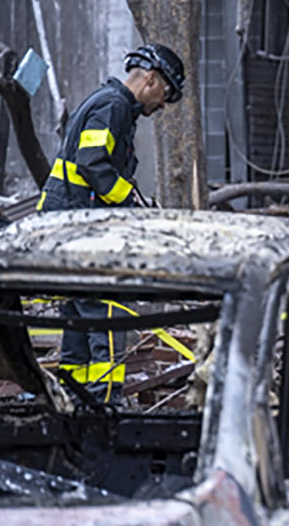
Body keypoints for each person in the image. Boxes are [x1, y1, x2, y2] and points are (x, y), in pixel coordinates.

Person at [37, 44, 185, 402]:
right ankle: (106, 401)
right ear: (151, 80)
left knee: (77, 311)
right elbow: (93, 163)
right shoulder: (113, 105)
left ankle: (74, 398)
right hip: (77, 224)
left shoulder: (111, 103)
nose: (163, 105)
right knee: (107, 307)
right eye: (166, 94)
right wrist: (130, 202)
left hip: (67, 222)